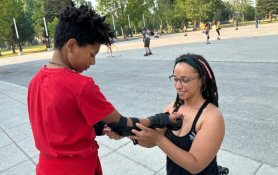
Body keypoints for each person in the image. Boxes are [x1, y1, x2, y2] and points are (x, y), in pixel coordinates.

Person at [27, 2, 182, 175]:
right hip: (78, 169)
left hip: (46, 168)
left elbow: (58, 125)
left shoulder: (35, 81)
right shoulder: (80, 85)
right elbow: (122, 123)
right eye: (91, 54)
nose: (93, 62)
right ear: (71, 45)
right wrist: (164, 119)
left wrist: (101, 128)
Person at [127, 54, 225, 175]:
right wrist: (127, 132)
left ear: (201, 80)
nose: (178, 85)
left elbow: (195, 165)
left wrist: (158, 139)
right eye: (175, 79)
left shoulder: (212, 116)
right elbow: (150, 141)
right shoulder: (173, 107)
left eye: (185, 80)